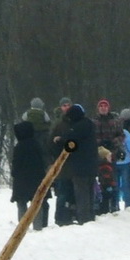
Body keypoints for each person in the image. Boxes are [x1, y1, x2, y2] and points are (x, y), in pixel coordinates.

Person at [10, 120, 49, 230]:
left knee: (21, 203)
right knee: (36, 203)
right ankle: (38, 226)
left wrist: (14, 173)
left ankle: (22, 227)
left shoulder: (19, 146)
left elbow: (16, 163)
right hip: (37, 178)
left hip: (21, 180)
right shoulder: (37, 144)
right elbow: (42, 161)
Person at [64, 103, 98, 224]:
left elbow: (69, 142)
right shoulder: (90, 125)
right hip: (92, 164)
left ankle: (84, 219)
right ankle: (90, 217)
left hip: (80, 166)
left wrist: (60, 139)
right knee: (89, 192)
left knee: (81, 194)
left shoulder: (77, 128)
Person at [50, 97, 76, 226]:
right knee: (62, 192)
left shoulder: (75, 121)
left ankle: (70, 215)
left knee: (71, 192)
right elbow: (51, 143)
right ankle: (60, 217)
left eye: (68, 105)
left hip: (74, 162)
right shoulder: (57, 123)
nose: (66, 107)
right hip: (61, 163)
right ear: (61, 107)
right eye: (64, 105)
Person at [96, 146, 118, 215]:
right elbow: (106, 178)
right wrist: (109, 185)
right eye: (109, 156)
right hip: (107, 187)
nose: (111, 157)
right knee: (107, 200)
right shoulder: (105, 167)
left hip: (108, 186)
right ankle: (107, 211)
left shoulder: (108, 165)